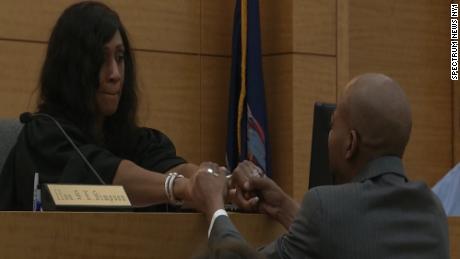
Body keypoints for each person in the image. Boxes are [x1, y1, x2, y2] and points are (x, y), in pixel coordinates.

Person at [188, 73, 450, 258]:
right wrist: (283, 207)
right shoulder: (432, 211)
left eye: (333, 125)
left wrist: (214, 205)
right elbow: (351, 238)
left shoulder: (325, 206)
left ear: (350, 143)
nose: (329, 134)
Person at [0, 1, 199, 210]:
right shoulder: (45, 139)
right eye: (101, 59)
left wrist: (218, 181)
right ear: (72, 68)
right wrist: (181, 188)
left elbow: (174, 169)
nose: (115, 74)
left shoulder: (134, 140)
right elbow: (103, 176)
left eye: (120, 58)